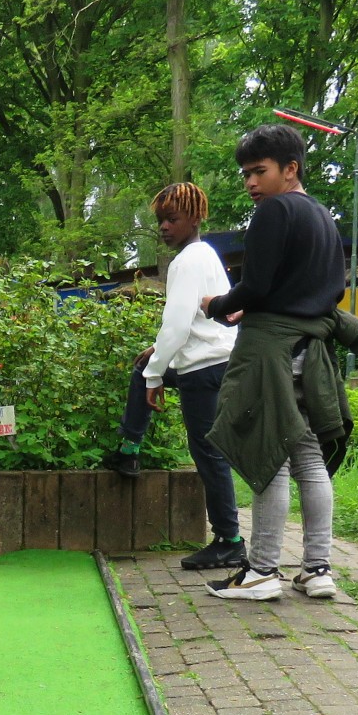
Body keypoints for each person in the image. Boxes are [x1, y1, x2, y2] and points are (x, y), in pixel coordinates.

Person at [201, 124, 358, 603]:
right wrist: (250, 303)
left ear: (289, 169)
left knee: (268, 457)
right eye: (245, 175)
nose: (251, 183)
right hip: (312, 354)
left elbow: (255, 287)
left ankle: (261, 572)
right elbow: (324, 291)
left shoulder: (274, 211)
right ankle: (317, 569)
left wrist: (218, 304)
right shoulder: (322, 215)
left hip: (273, 354)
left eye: (259, 171)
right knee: (309, 458)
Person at [108, 182, 242, 570]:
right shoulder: (207, 254)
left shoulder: (184, 262)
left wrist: (156, 375)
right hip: (216, 359)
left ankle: (230, 540)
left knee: (208, 451)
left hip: (204, 368)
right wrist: (155, 360)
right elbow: (193, 322)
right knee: (143, 368)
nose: (164, 227)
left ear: (196, 218)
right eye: (160, 221)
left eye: (172, 219)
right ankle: (129, 451)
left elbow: (179, 322)